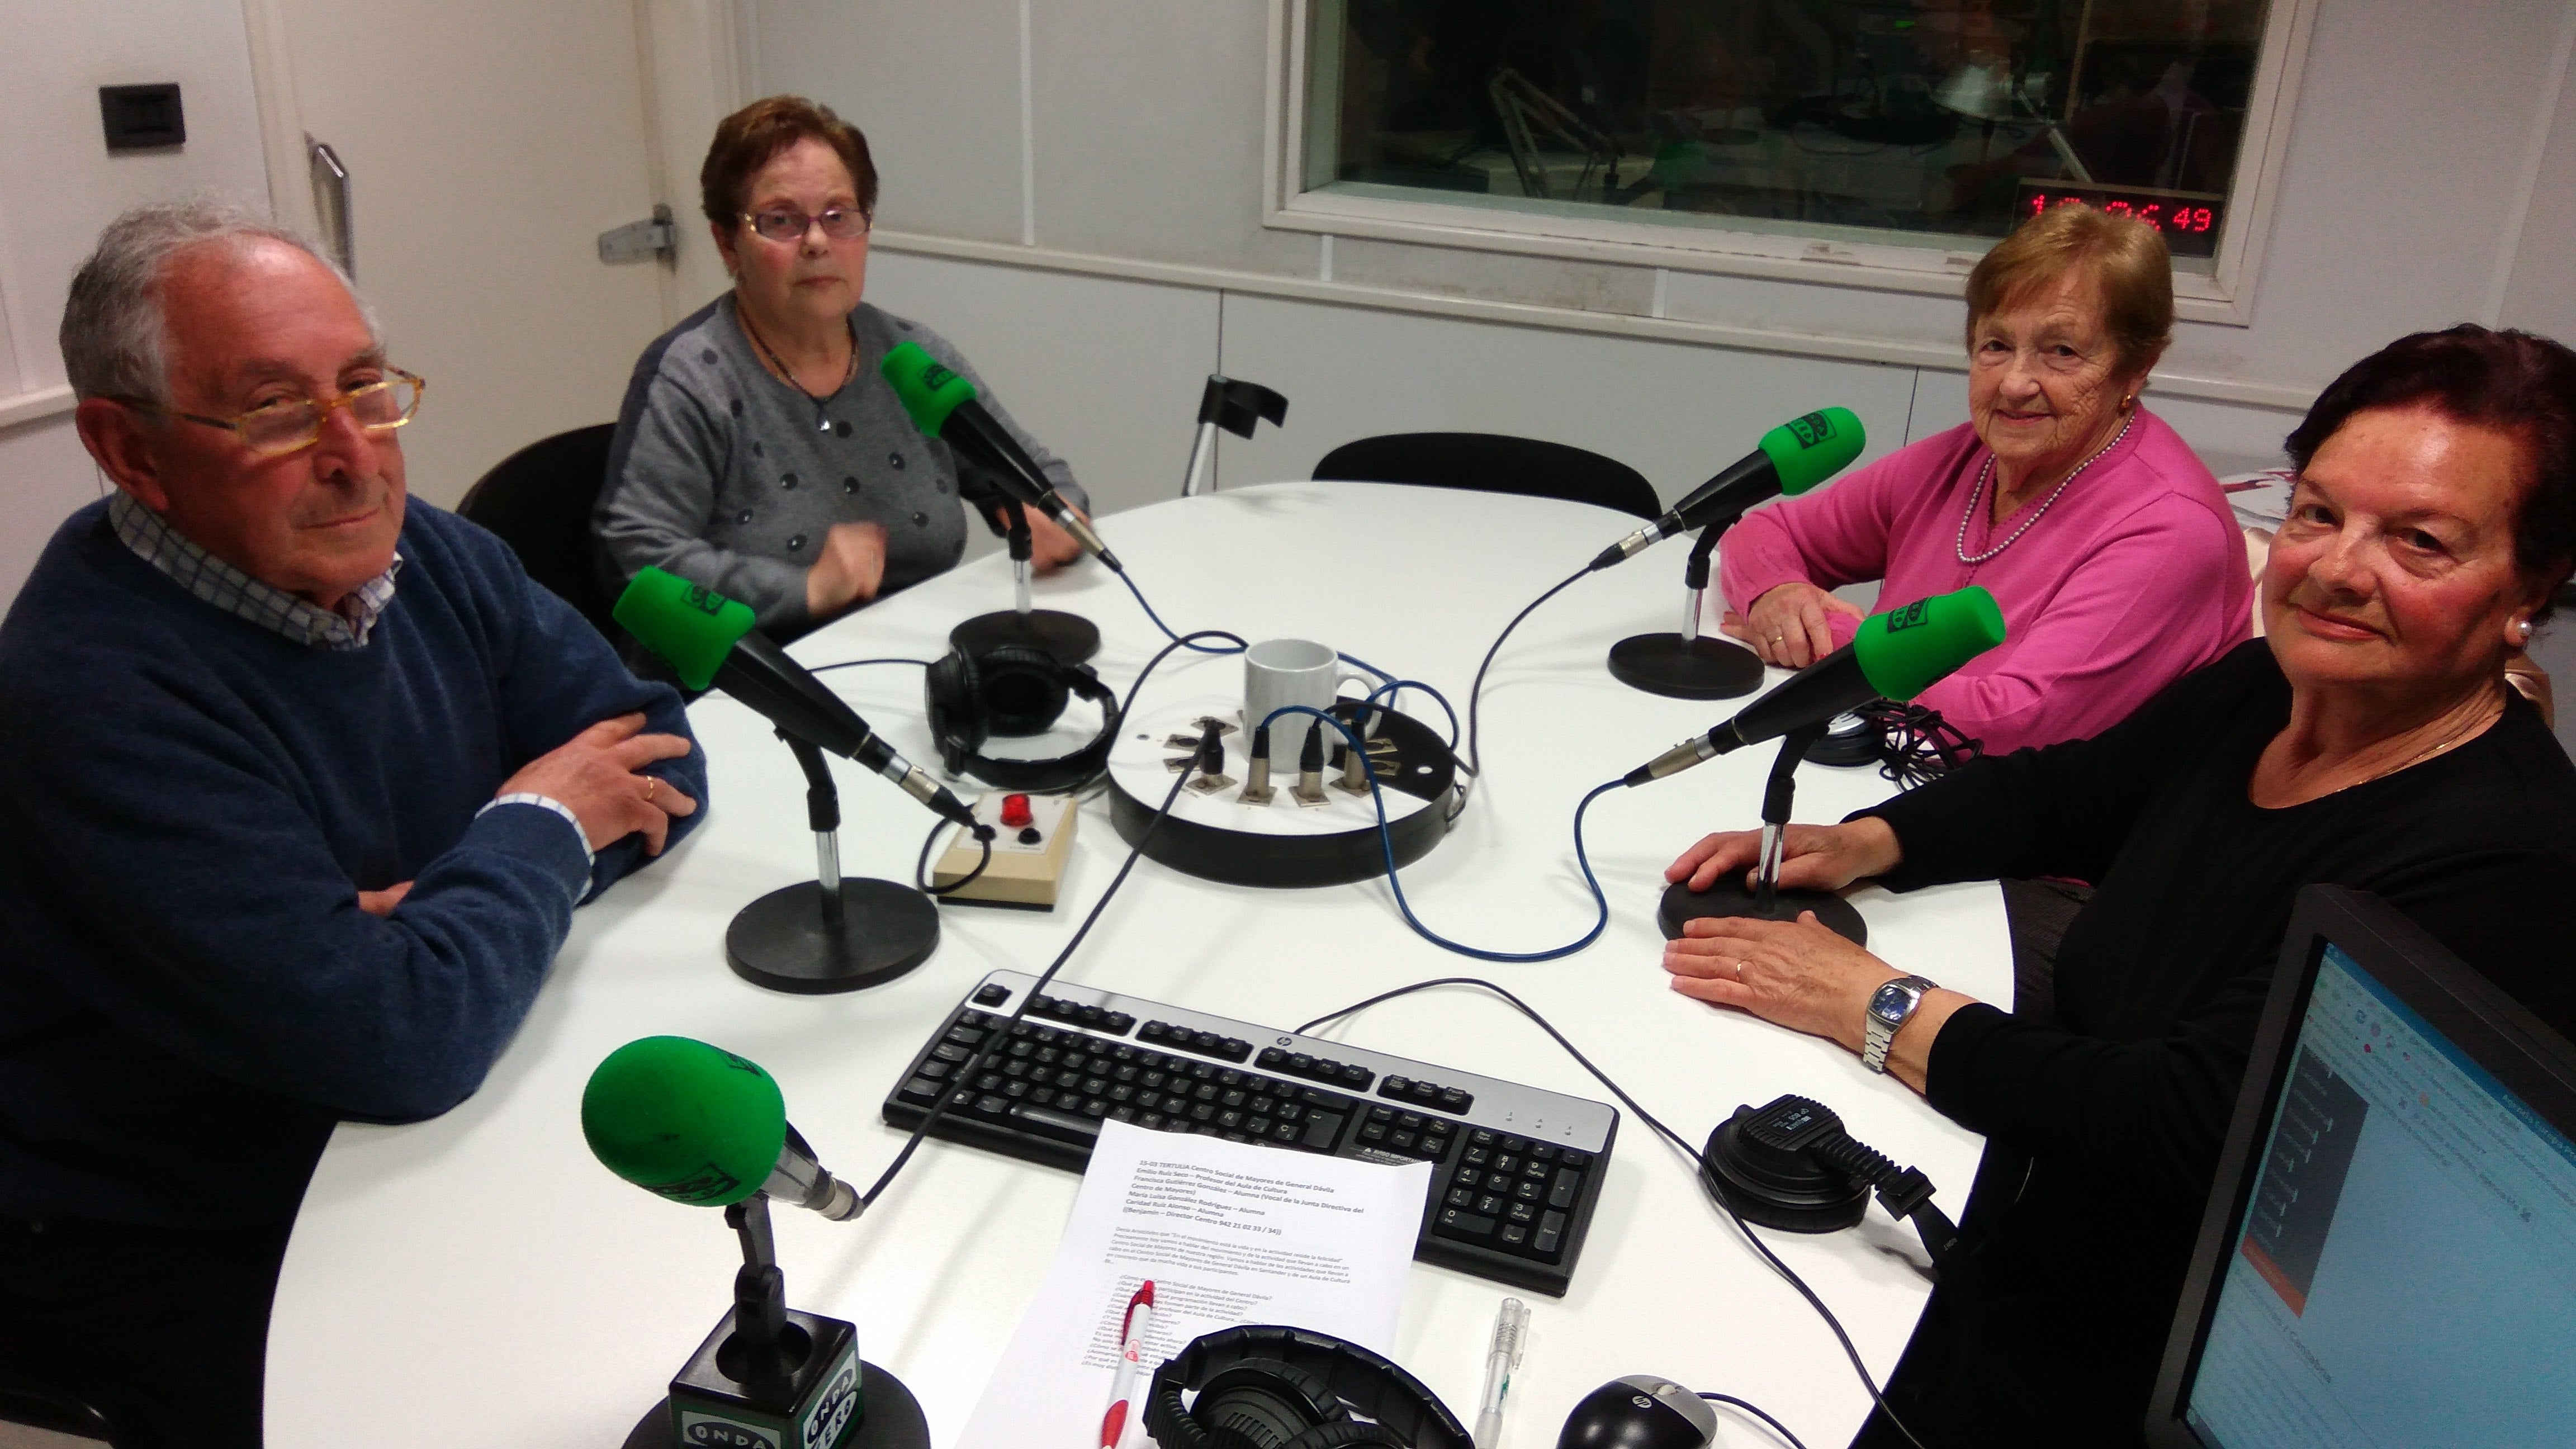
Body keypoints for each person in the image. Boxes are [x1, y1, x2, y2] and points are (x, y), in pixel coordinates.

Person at [1662, 324, 2576, 1447]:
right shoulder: (2268, 685)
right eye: (2320, 512)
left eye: (2420, 542)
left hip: (2150, 1356)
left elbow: (2181, 1121)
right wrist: (1864, 844)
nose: (2338, 568)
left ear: (2531, 586)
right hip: (2037, 1216)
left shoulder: (2507, 863)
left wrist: (1874, 1001)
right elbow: (2070, 794)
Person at [0, 201, 707, 1448]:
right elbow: (394, 1037)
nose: (356, 452)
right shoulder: (87, 688)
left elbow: (656, 749)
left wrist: (440, 927)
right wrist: (531, 834)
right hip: (187, 1218)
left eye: (368, 388)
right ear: (131, 451)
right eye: (277, 411)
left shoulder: (420, 554)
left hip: (419, 1120)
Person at [1717, 203, 2250, 755]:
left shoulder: (2172, 528)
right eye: (1996, 346)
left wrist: (1834, 640)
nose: (2015, 384)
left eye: (2061, 352)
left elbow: (2013, 727)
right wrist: (1778, 595)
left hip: (2056, 828)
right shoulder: (1965, 459)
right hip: (1898, 780)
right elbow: (1763, 535)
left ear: (2136, 368)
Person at [596, 95, 1088, 641]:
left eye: (839, 216)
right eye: (781, 220)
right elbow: (636, 566)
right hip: (752, 682)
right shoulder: (691, 377)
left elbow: (1035, 473)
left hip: (907, 659)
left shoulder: (909, 358)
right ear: (727, 243)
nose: (816, 242)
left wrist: (1052, 511)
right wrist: (806, 588)